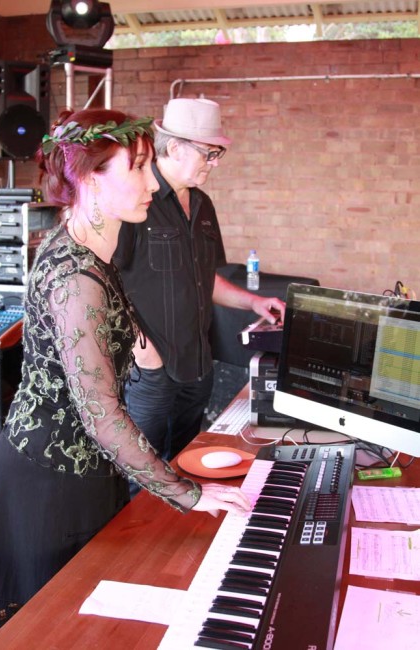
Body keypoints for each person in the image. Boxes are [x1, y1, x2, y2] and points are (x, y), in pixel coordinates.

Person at [0, 107, 251, 629]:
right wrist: (189, 492)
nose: (146, 180)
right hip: (51, 476)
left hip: (92, 465)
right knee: (52, 627)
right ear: (90, 180)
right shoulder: (75, 277)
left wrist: (148, 361)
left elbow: (120, 329)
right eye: (135, 167)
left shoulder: (93, 252)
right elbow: (101, 414)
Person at [114, 97, 285, 462]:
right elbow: (108, 284)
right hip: (151, 375)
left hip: (197, 366)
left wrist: (252, 302)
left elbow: (203, 279)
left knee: (188, 466)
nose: (214, 163)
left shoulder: (203, 205)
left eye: (217, 154)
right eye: (209, 153)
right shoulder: (137, 202)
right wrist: (143, 351)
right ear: (175, 148)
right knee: (143, 479)